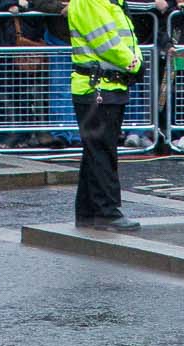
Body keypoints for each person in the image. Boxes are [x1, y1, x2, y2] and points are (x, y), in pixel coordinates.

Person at [66, 0, 141, 230]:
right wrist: (135, 63)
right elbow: (106, 43)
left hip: (105, 85)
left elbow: (125, 37)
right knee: (101, 151)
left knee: (95, 152)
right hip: (97, 86)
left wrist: (134, 60)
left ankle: (88, 212)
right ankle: (106, 213)